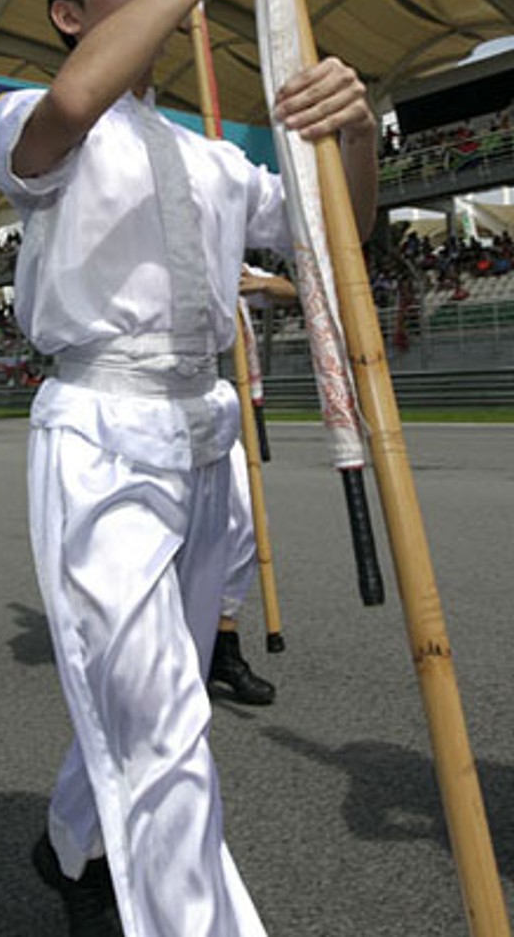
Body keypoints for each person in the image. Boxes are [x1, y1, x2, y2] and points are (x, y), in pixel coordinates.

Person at [0, 0, 377, 937]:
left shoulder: (215, 159)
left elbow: (334, 234)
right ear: (71, 14)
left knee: (164, 691)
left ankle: (74, 841)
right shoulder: (29, 112)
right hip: (98, 428)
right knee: (158, 717)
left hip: (204, 428)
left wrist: (355, 132)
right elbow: (73, 107)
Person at [207, 265, 295, 708]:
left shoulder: (226, 254)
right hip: (150, 404)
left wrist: (255, 284)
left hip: (219, 401)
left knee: (243, 521)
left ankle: (224, 648)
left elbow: (293, 290)